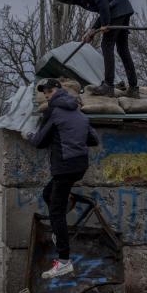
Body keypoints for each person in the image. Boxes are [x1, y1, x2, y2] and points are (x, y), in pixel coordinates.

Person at [30, 79, 100, 279]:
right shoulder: (79, 112)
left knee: (56, 211)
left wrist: (27, 134)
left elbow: (39, 141)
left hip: (64, 167)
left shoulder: (52, 111)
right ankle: (58, 232)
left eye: (49, 91)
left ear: (59, 91)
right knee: (47, 193)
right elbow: (93, 139)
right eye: (44, 92)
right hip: (79, 165)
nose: (46, 95)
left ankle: (64, 261)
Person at [55, 0, 139, 98]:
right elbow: (105, 8)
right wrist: (93, 30)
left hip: (117, 8)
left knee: (106, 45)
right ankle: (133, 88)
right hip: (122, 7)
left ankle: (108, 86)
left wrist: (105, 23)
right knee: (122, 49)